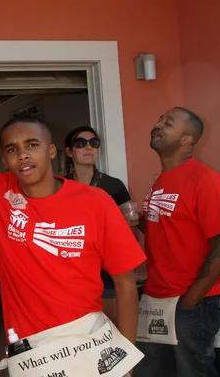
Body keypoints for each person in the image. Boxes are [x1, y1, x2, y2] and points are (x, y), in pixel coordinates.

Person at [0, 115, 147, 375]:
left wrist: (127, 357)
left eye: (32, 144)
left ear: (52, 151)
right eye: (12, 149)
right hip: (32, 355)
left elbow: (125, 283)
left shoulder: (96, 202)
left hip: (89, 341)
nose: (22, 154)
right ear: (5, 160)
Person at [133, 107, 220, 377]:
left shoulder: (206, 180)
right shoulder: (158, 182)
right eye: (159, 119)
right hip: (155, 299)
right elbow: (162, 226)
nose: (157, 124)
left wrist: (190, 301)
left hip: (189, 302)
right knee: (152, 372)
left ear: (187, 140)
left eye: (168, 122)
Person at [64, 126, 135, 323]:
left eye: (94, 143)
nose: (88, 147)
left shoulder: (113, 186)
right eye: (80, 143)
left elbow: (130, 226)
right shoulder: (59, 185)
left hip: (107, 270)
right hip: (71, 269)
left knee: (109, 328)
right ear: (69, 152)